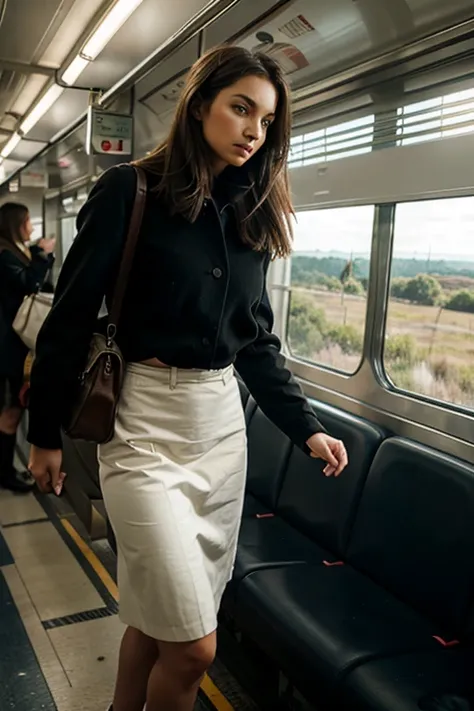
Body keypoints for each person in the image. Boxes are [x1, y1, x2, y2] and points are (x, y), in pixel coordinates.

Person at [27, 45, 349, 711]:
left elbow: (256, 340)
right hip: (142, 425)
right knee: (195, 645)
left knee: (153, 619)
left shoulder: (252, 214)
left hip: (221, 432)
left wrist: (307, 428)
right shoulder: (130, 191)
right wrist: (45, 434)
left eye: (265, 121)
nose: (253, 131)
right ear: (200, 104)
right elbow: (69, 316)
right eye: (240, 108)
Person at [0, 203, 55, 493]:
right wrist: (40, 254)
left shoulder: (10, 251)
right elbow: (27, 283)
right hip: (8, 346)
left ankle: (5, 468)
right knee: (11, 410)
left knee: (12, 408)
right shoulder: (5, 254)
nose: (32, 227)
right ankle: (5, 472)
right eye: (28, 221)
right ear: (16, 224)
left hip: (10, 344)